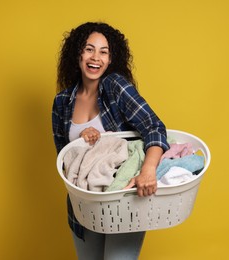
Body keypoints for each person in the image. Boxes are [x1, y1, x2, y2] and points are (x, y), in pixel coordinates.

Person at [52, 22, 169, 260]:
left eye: (103, 51)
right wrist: (85, 144)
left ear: (111, 59)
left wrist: (148, 170)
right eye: (89, 49)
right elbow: (65, 159)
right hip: (84, 204)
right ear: (78, 53)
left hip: (122, 200)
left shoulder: (115, 86)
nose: (96, 57)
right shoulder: (62, 102)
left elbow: (153, 127)